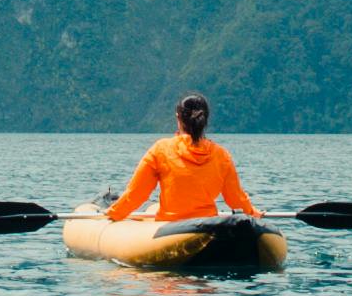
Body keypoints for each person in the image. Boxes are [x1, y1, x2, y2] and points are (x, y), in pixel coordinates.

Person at [106, 94, 258, 224]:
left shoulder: (161, 149)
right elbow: (235, 199)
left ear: (178, 118)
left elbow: (136, 194)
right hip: (207, 223)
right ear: (205, 119)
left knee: (152, 208)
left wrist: (113, 213)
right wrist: (252, 212)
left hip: (171, 226)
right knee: (152, 208)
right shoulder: (221, 155)